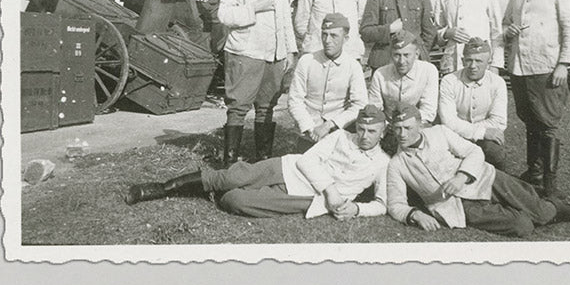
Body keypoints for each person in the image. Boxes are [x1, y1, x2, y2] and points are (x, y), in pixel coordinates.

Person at [124, 105, 390, 221]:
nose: (364, 136)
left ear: (383, 132)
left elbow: (382, 205)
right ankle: (162, 188)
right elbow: (308, 160)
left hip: (309, 198)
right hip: (291, 168)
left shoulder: (383, 164)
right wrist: (332, 190)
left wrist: (356, 210)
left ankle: (212, 194)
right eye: (362, 129)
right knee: (234, 176)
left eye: (372, 131)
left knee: (235, 201)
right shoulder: (342, 136)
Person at [384, 105, 570, 237]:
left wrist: (461, 177)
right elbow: (395, 204)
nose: (402, 134)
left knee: (541, 213)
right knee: (523, 226)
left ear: (420, 125)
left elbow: (474, 152)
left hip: (483, 179)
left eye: (408, 128)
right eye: (398, 129)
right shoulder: (397, 164)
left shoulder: (440, 133)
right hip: (458, 206)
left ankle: (563, 209)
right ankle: (530, 206)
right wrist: (415, 214)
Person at [501, 0, 570, 196]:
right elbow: (504, 24)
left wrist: (564, 64)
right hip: (520, 69)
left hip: (546, 68)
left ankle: (550, 182)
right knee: (529, 122)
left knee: (548, 124)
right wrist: (508, 31)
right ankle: (533, 173)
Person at [216, 0, 298, 164]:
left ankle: (263, 161)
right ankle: (229, 164)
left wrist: (289, 50)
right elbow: (224, 15)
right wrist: (255, 7)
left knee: (267, 107)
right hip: (246, 53)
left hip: (274, 55)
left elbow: (285, 19)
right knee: (238, 107)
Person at [288, 12, 368, 152]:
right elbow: (295, 100)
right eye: (324, 34)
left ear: (346, 38)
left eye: (334, 36)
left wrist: (331, 124)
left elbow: (360, 104)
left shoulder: (352, 66)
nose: (327, 40)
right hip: (308, 132)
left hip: (338, 131)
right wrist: (309, 127)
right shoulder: (306, 61)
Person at [437, 37, 508, 170]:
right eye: (469, 60)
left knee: (495, 152)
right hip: (455, 136)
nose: (473, 66)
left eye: (479, 61)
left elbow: (499, 122)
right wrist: (480, 132)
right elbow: (448, 121)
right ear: (462, 60)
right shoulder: (449, 81)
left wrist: (473, 132)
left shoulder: (497, 83)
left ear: (489, 63)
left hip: (482, 139)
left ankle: (497, 185)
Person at [367, 30, 438, 153]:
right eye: (397, 55)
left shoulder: (429, 71)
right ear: (391, 54)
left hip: (418, 127)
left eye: (406, 55)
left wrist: (407, 129)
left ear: (416, 54)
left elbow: (428, 111)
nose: (401, 61)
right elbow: (375, 109)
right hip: (388, 129)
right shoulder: (380, 74)